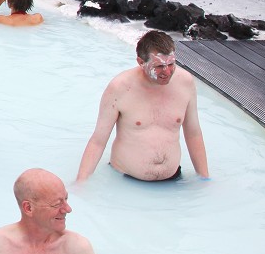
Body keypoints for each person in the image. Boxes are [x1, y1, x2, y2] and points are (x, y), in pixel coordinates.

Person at [76, 30, 209, 182]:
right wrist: (81, 182)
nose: (166, 72)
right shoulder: (120, 88)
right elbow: (98, 141)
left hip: (173, 180)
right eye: (159, 66)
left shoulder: (185, 82)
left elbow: (193, 133)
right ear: (140, 62)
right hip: (124, 179)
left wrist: (204, 178)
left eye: (171, 64)